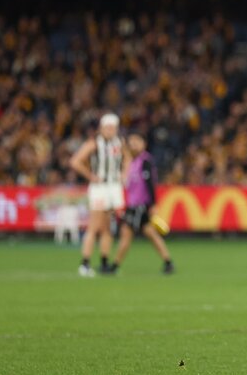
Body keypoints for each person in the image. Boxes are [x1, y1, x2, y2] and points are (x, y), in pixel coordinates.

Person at [70, 113, 128, 277]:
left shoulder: (119, 142)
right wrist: (91, 176)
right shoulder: (94, 143)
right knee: (94, 226)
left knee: (108, 228)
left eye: (113, 127)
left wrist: (124, 173)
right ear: (101, 128)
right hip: (100, 188)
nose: (110, 130)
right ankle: (85, 263)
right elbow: (75, 161)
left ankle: (104, 262)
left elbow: (128, 160)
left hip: (114, 187)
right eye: (108, 127)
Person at [110, 133, 175, 275]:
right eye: (131, 141)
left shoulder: (145, 161)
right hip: (135, 205)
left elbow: (150, 184)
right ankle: (168, 262)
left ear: (143, 143)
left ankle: (114, 266)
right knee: (150, 233)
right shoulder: (132, 162)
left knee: (126, 233)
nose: (133, 144)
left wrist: (153, 204)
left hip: (140, 205)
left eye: (136, 141)